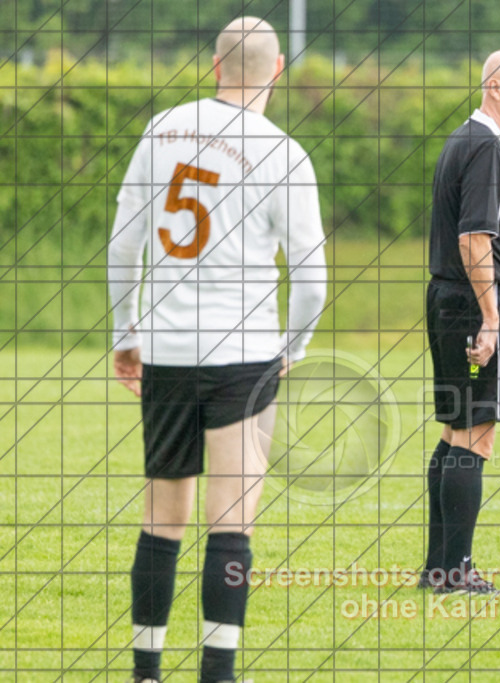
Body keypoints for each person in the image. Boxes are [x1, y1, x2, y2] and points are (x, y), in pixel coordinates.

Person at [108, 17, 327, 683]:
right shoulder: (283, 152)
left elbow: (124, 246)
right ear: (278, 70)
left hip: (168, 351)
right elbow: (313, 281)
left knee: (161, 517)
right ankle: (218, 671)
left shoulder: (161, 130)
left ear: (214, 65)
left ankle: (146, 670)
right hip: (244, 353)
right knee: (231, 520)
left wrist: (127, 335)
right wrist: (291, 348)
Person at [420, 50, 500, 595]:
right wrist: (492, 317)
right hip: (474, 303)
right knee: (476, 436)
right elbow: (475, 238)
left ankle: (438, 567)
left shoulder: (467, 139)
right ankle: (454, 571)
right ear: (496, 87)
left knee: (455, 431)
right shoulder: (486, 146)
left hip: (452, 298)